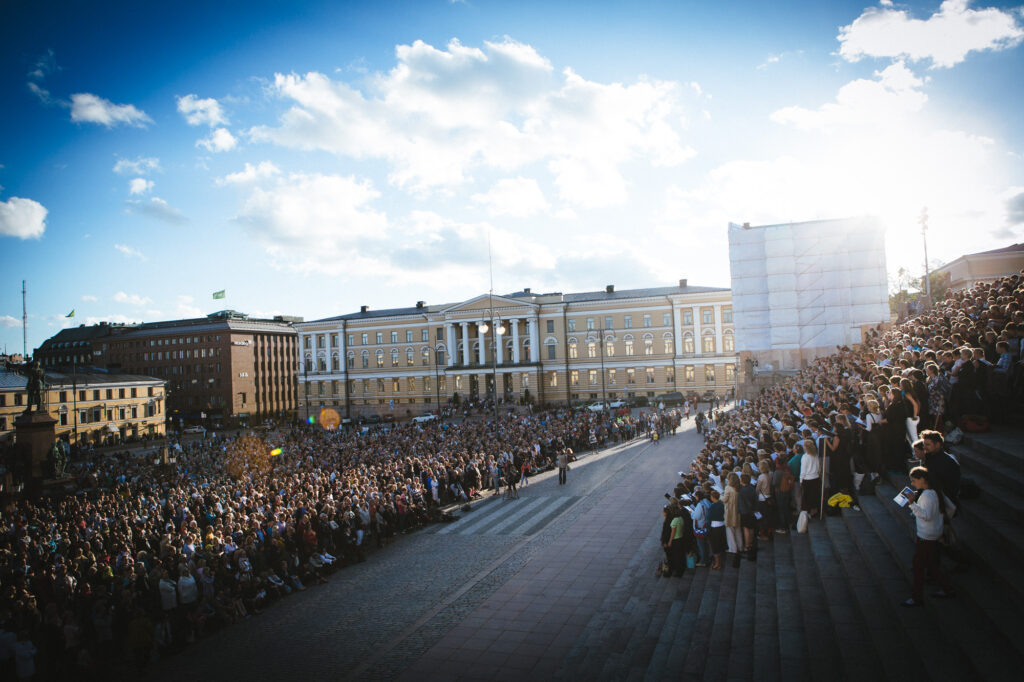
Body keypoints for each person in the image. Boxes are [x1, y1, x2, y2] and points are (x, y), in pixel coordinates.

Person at [902, 467, 956, 606]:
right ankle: (947, 588)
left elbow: (926, 515)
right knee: (931, 565)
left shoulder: (927, 496)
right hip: (933, 533)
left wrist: (912, 504)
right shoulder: (936, 492)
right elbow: (951, 508)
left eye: (914, 480)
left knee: (919, 565)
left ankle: (916, 597)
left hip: (926, 535)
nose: (913, 484)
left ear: (922, 479)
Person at [707, 490, 726, 571]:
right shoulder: (721, 504)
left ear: (712, 497)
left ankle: (718, 564)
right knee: (720, 544)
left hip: (715, 527)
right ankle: (720, 561)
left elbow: (709, 518)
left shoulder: (712, 506)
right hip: (722, 525)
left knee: (715, 546)